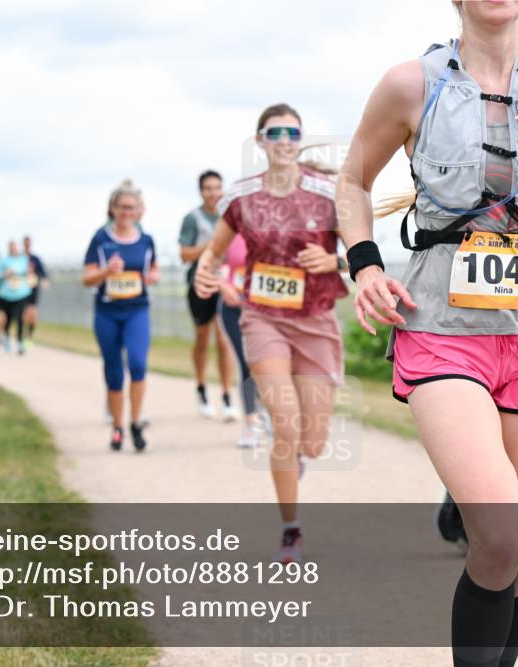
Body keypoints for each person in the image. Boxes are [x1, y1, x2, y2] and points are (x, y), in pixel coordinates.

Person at [335, 2, 518, 664]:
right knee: (497, 538)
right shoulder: (410, 84)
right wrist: (364, 266)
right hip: (442, 325)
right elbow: (353, 180)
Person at [194, 103, 349, 563]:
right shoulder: (241, 197)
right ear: (260, 140)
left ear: (300, 140)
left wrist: (333, 260)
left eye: (292, 132)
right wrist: (209, 275)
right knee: (284, 423)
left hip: (316, 320)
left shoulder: (327, 193)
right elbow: (214, 254)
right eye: (274, 132)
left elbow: (361, 249)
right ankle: (291, 528)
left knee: (313, 441)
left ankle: (299, 454)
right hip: (262, 317)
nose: (284, 140)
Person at [82, 180, 159, 452]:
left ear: (139, 210)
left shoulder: (147, 240)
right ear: (112, 209)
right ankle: (117, 427)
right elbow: (87, 278)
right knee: (114, 371)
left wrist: (152, 277)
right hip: (107, 311)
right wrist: (105, 273)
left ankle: (136, 422)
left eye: (132, 207)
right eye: (122, 207)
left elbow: (153, 271)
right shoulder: (101, 240)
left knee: (138, 364)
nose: (127, 212)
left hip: (137, 309)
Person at [179, 170, 238, 420]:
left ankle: (226, 395)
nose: (213, 193)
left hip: (226, 283)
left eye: (217, 187)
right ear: (201, 191)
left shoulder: (232, 216)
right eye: (208, 188)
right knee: (202, 339)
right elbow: (184, 254)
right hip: (200, 284)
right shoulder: (193, 219)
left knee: (224, 340)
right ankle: (201, 387)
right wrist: (213, 245)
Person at [217, 234, 263, 447]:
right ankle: (251, 420)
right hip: (233, 308)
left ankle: (267, 409)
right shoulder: (229, 232)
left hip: (265, 309)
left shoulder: (274, 232)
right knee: (246, 361)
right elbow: (212, 264)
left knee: (265, 363)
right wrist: (222, 285)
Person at [0, 241, 34, 355]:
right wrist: (5, 274)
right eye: (11, 247)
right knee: (8, 318)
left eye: (15, 247)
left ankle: (20, 342)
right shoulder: (3, 261)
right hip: (7, 294)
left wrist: (18, 272)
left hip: (21, 293)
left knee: (21, 317)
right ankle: (6, 337)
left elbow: (28, 271)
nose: (13, 249)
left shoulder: (23, 259)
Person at [22, 235, 49, 346]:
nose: (27, 245)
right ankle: (23, 336)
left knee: (33, 314)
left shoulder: (35, 259)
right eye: (25, 243)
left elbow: (43, 273)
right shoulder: (20, 258)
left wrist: (44, 281)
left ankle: (29, 336)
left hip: (33, 289)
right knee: (25, 314)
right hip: (22, 290)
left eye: (29, 243)